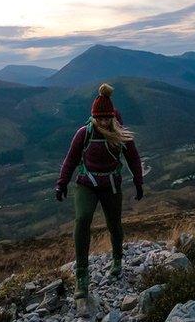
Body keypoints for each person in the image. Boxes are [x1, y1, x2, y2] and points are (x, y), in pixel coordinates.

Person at [54, 83, 144, 299]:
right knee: (82, 219)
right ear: (94, 117)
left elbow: (133, 158)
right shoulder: (83, 134)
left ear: (112, 116)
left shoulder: (120, 134)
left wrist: (139, 181)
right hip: (86, 185)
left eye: (107, 118)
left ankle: (117, 260)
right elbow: (70, 160)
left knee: (114, 223)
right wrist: (62, 183)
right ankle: (82, 277)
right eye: (100, 118)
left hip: (111, 185)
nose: (104, 121)